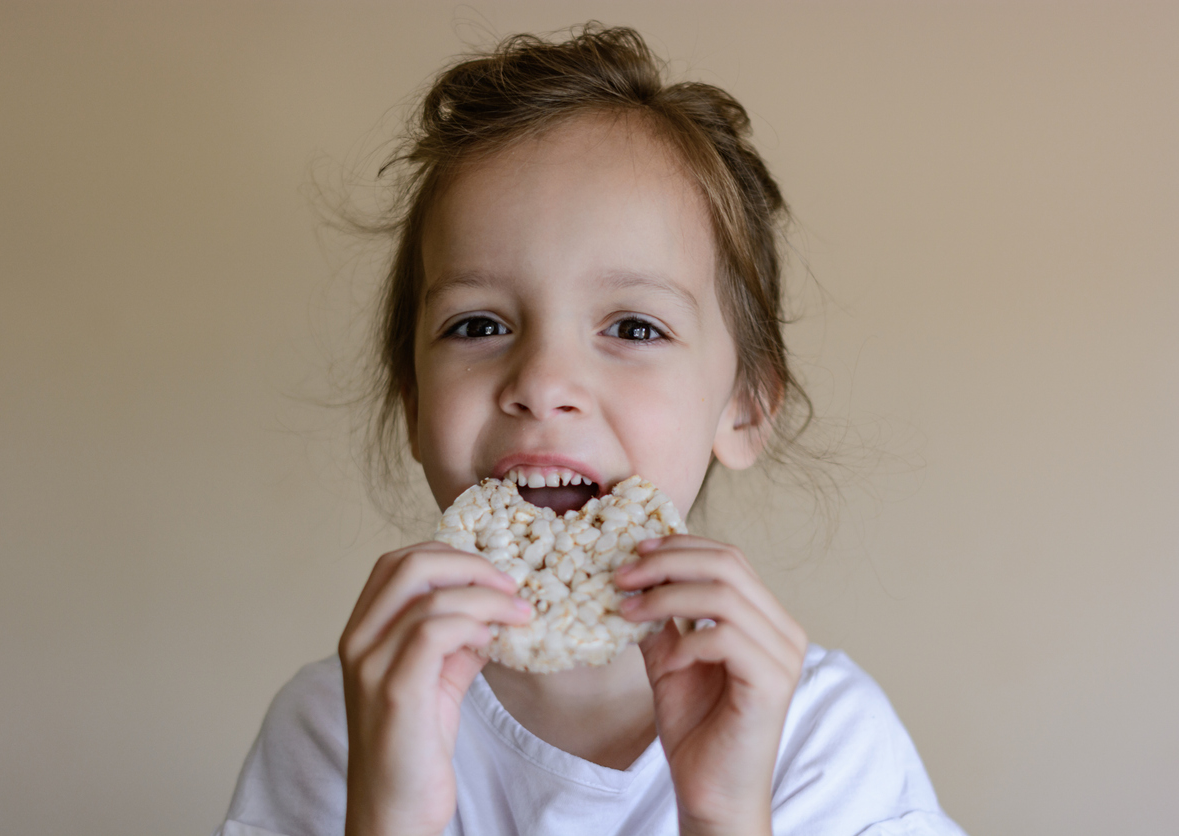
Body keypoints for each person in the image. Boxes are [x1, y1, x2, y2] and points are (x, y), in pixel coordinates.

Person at [215, 25, 967, 836]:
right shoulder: (338, 724)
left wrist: (723, 813)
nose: (541, 383)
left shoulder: (820, 740)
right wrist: (388, 816)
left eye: (635, 328)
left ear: (744, 407)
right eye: (476, 325)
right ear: (413, 405)